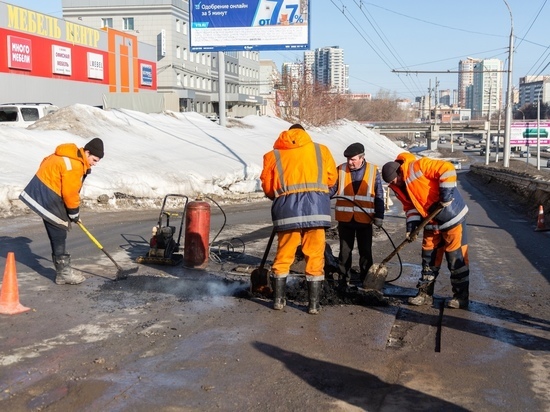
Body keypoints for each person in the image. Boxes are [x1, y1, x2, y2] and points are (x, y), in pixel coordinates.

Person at [260, 124, 337, 314]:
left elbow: (268, 186)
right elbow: (331, 179)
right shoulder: (321, 150)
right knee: (315, 254)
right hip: (316, 210)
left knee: (284, 254)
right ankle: (313, 304)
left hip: (286, 211)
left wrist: (279, 197)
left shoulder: (273, 155)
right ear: (305, 133)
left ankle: (278, 300)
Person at [381, 152, 470, 309]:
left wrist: (446, 194)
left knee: (456, 259)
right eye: (391, 182)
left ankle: (460, 297)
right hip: (430, 223)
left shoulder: (419, 166)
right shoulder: (398, 186)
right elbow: (410, 207)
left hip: (452, 218)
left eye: (394, 179)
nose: (394, 183)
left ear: (399, 172)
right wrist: (411, 227)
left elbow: (447, 168)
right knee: (428, 259)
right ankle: (425, 294)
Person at [19, 138, 105, 285]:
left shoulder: (69, 156)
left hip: (44, 193)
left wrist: (70, 211)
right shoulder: (75, 164)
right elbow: (70, 192)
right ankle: (63, 274)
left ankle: (63, 271)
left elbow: (46, 163)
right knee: (59, 232)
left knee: (59, 231)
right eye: (94, 159)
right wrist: (73, 212)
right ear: (87, 152)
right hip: (48, 197)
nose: (95, 163)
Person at [329, 142, 385, 289]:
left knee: (365, 252)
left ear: (362, 157)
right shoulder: (340, 170)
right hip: (345, 220)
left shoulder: (373, 171)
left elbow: (379, 194)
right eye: (348, 159)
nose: (350, 162)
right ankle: (343, 280)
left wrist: (379, 216)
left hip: (364, 219)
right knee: (344, 252)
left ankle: (366, 280)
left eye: (353, 159)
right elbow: (332, 189)